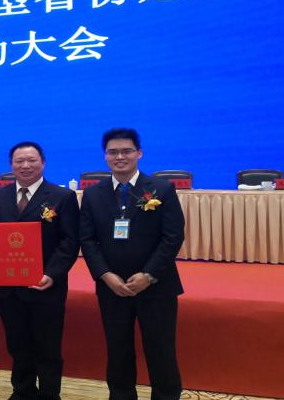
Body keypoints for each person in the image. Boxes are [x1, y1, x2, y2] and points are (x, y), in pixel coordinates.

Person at [80, 128, 184, 400]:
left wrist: (148, 275)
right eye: (113, 152)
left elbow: (173, 237)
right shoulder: (93, 194)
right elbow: (87, 240)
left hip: (156, 287)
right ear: (105, 156)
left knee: (161, 351)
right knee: (118, 350)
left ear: (139, 153)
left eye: (126, 151)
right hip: (112, 288)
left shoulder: (162, 189)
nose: (120, 157)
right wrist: (105, 275)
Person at [0, 141, 79, 400]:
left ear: (43, 163)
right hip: (8, 286)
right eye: (19, 161)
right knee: (17, 345)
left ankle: (49, 394)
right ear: (11, 165)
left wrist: (52, 274)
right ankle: (22, 391)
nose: (25, 166)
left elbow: (70, 242)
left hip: (46, 285)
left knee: (48, 347)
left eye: (31, 160)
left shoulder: (62, 196)